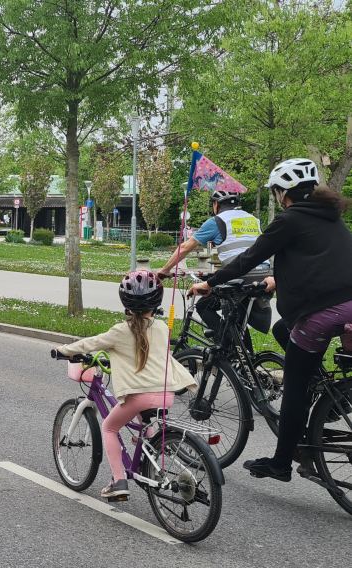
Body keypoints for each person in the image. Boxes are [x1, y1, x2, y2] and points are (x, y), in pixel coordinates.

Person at [189, 158, 352, 482]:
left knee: (294, 387)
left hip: (322, 311)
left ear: (282, 193)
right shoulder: (331, 218)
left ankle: (281, 463)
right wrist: (275, 281)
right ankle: (328, 394)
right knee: (281, 329)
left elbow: (250, 257)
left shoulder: (289, 219)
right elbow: (318, 259)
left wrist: (210, 283)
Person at [57, 270, 197, 499]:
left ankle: (119, 481)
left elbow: (91, 343)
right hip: (165, 394)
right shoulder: (162, 328)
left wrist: (62, 350)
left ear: (126, 303)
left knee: (109, 428)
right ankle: (150, 439)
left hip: (140, 396)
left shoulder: (120, 331)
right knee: (143, 419)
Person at [158, 189, 271, 336]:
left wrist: (165, 270)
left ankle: (225, 347)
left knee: (204, 305)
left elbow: (186, 247)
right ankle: (243, 353)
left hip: (241, 275)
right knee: (237, 318)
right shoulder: (252, 219)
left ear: (216, 204)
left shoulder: (217, 221)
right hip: (264, 274)